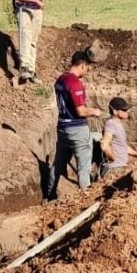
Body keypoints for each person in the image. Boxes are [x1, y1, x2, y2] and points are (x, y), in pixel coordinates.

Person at [46, 50, 102, 200]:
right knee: (83, 168)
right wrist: (95, 111)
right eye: (87, 67)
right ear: (82, 65)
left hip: (63, 128)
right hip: (77, 129)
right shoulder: (75, 83)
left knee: (58, 164)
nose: (88, 71)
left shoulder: (60, 79)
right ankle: (86, 200)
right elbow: (81, 111)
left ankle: (49, 195)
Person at [10, 0, 48, 85]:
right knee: (25, 34)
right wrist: (35, 0)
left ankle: (31, 71)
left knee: (33, 39)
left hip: (36, 9)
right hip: (23, 7)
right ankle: (24, 67)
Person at [100, 97, 137, 177]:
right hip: (114, 169)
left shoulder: (118, 124)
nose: (127, 111)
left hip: (120, 167)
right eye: (124, 110)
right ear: (115, 111)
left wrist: (136, 154)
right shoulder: (111, 124)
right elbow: (104, 145)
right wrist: (113, 158)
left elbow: (122, 145)